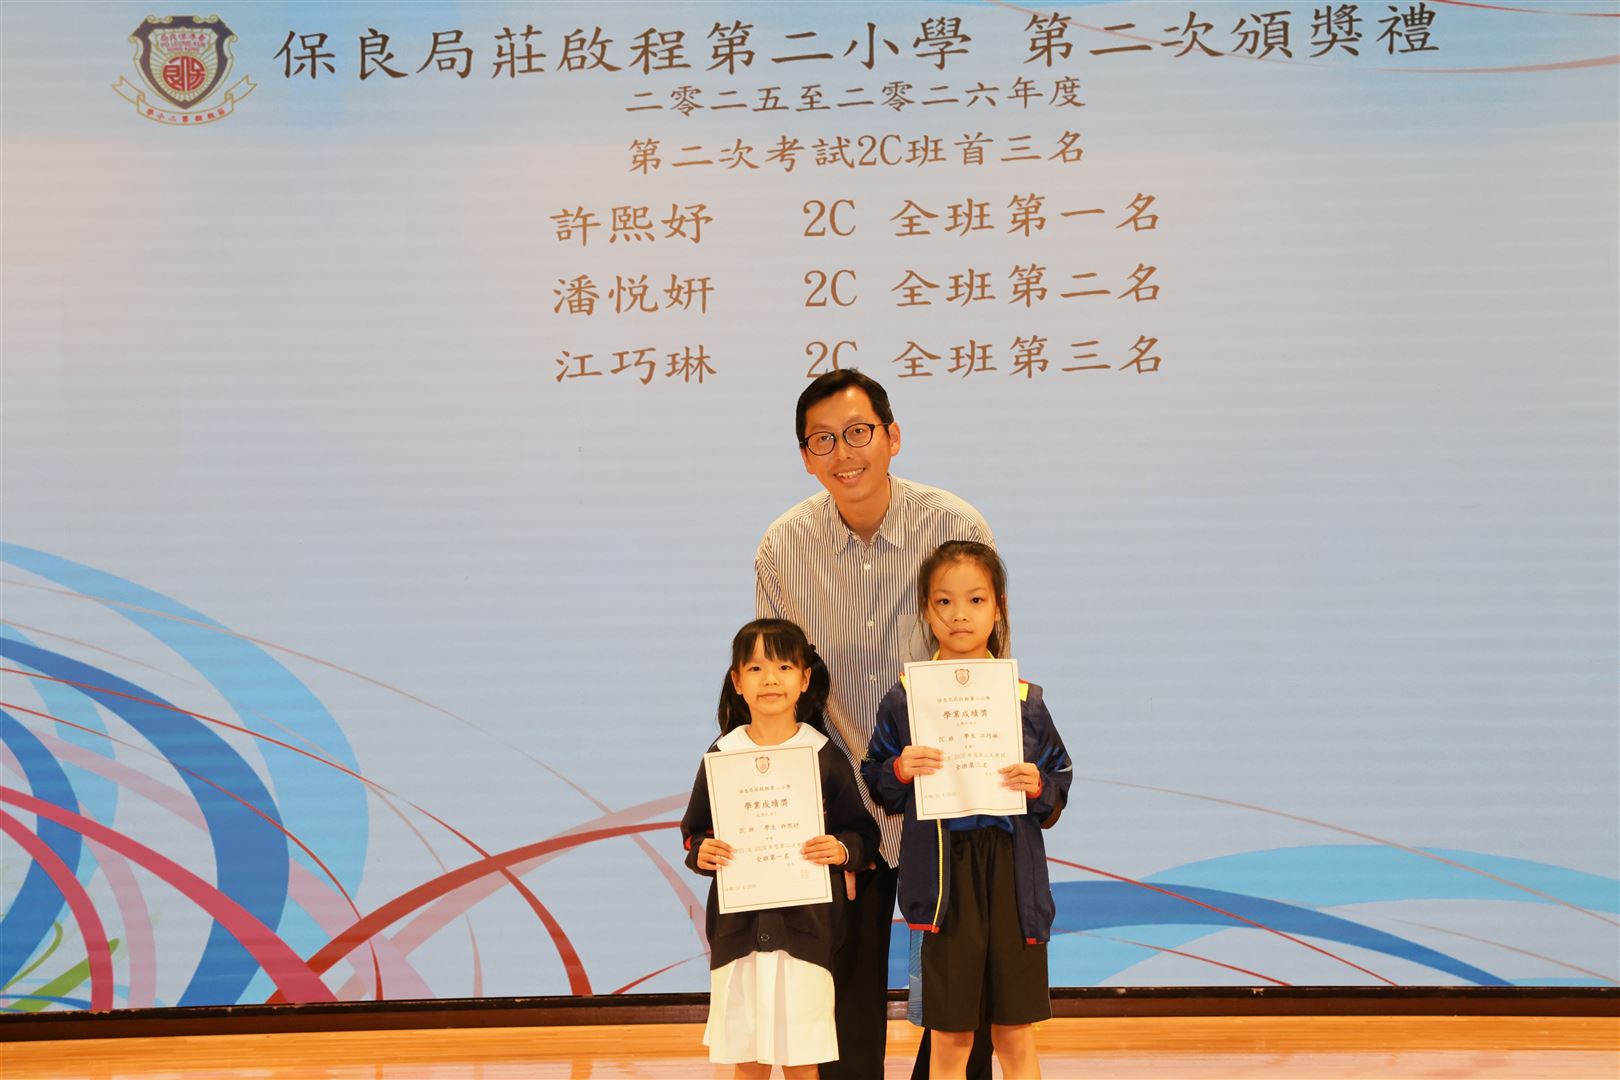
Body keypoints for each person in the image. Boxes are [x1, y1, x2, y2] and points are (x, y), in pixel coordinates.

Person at [755, 369, 995, 1079]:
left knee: (958, 991)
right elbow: (782, 691)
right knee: (840, 991)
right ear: (805, 456)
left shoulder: (955, 527)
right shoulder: (782, 547)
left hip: (941, 794)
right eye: (823, 440)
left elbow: (986, 660)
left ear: (892, 436)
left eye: (858, 432)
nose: (844, 453)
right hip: (843, 803)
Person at [862, 541, 1073, 1080]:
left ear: (998, 608)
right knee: (950, 1036)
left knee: (1015, 1033)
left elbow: (1059, 777)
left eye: (976, 600)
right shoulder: (905, 699)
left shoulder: (1024, 699)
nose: (960, 615)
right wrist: (900, 770)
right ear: (926, 610)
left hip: (1011, 878)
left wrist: (1038, 785)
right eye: (944, 602)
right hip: (942, 881)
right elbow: (875, 776)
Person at [682, 618, 880, 1079]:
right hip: (738, 933)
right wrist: (702, 853)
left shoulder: (824, 754)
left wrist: (841, 850)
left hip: (806, 932)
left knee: (801, 1062)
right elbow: (696, 832)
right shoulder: (722, 755)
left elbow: (862, 835)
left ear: (805, 679)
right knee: (748, 1061)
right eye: (755, 668)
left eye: (784, 667)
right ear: (737, 681)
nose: (770, 679)